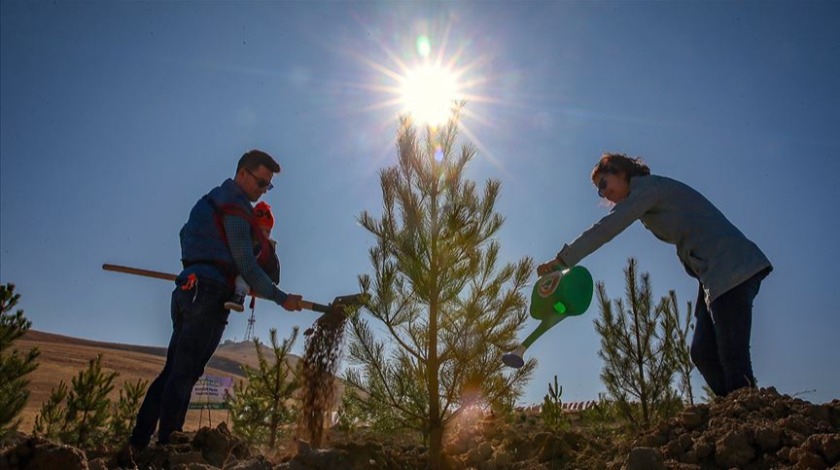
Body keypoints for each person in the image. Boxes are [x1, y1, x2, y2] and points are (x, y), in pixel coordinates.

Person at [537, 152, 772, 397]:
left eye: (604, 183)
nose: (603, 193)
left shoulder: (648, 190)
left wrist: (561, 262)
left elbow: (605, 229)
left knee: (733, 356)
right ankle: (734, 413)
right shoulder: (645, 198)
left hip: (730, 266)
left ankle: (750, 416)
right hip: (712, 275)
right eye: (599, 191)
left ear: (621, 172)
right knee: (702, 353)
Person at [129, 149, 303, 450]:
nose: (262, 192)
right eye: (261, 183)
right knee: (185, 374)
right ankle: (170, 448)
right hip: (207, 295)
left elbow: (185, 235)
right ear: (243, 173)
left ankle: (138, 443)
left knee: (173, 371)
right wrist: (281, 298)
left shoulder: (210, 200)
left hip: (187, 289)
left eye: (268, 186)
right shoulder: (234, 208)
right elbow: (247, 265)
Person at [224, 200, 278, 312]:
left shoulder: (266, 247)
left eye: (267, 231)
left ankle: (239, 296)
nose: (263, 234)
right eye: (260, 230)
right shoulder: (244, 240)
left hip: (259, 276)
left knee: (244, 275)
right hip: (243, 272)